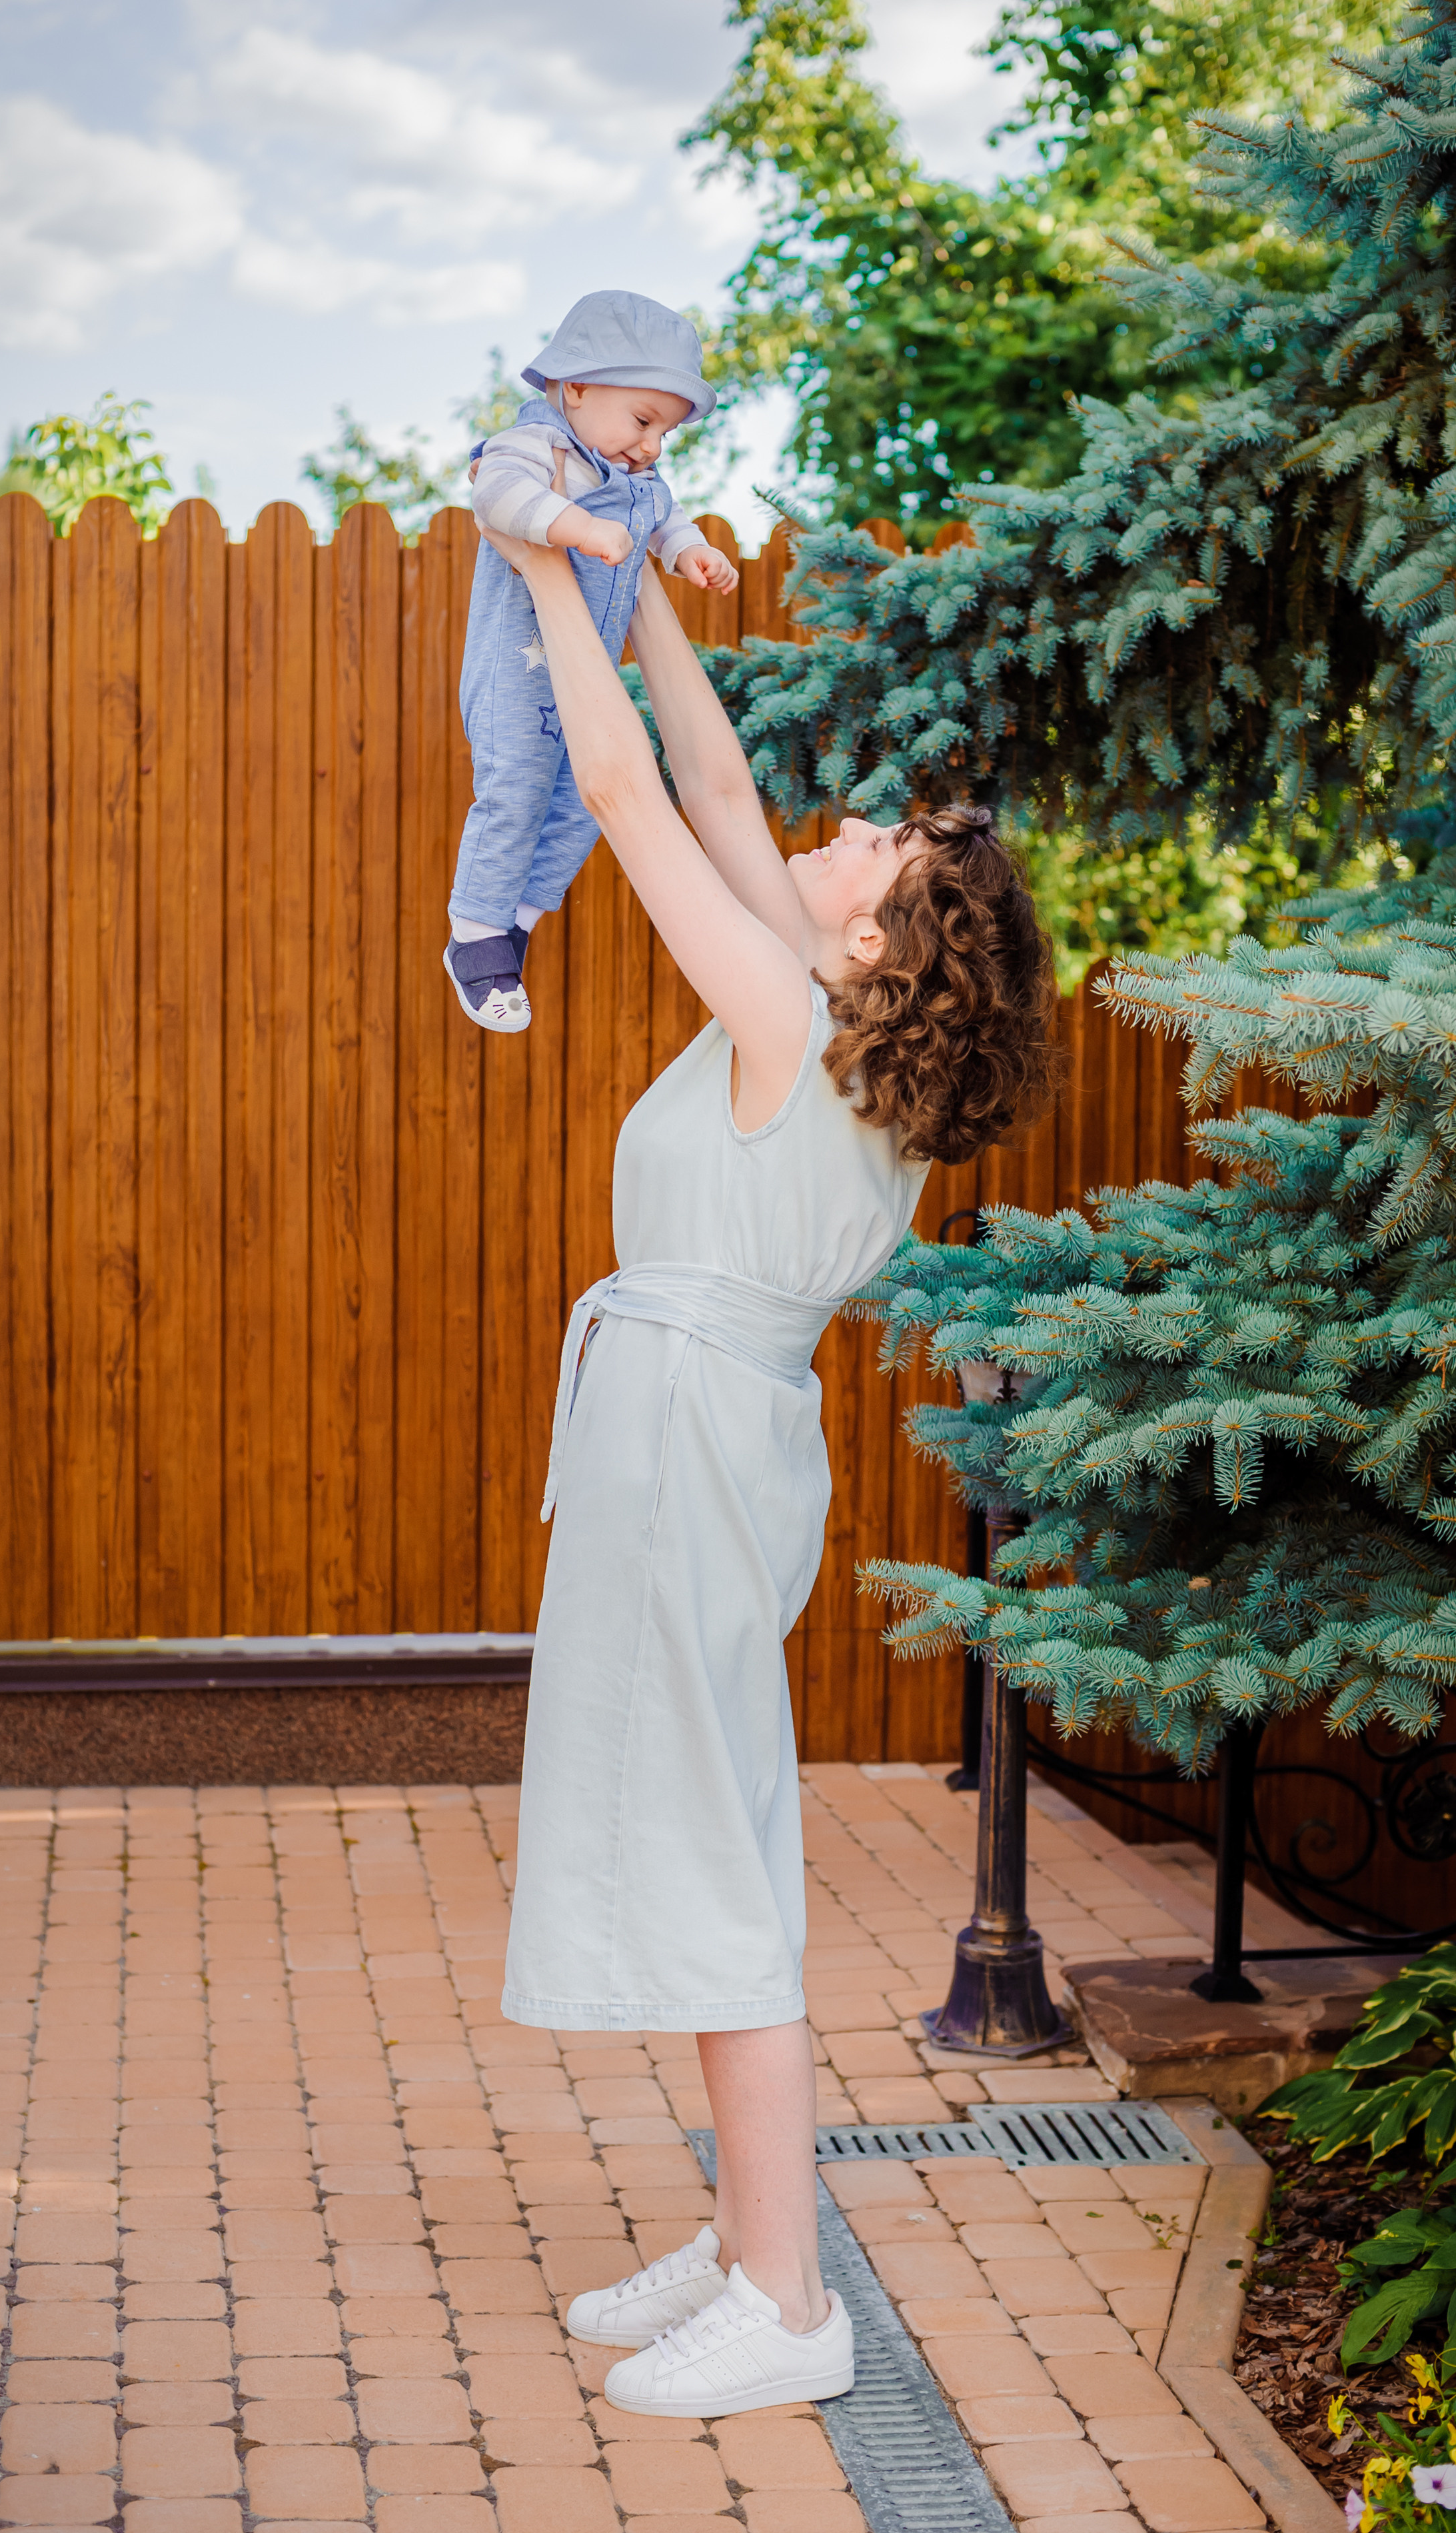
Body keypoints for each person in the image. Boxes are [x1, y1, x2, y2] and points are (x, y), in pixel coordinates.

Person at [490, 519, 1060, 2420]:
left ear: (875, 939)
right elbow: (716, 785)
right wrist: (631, 560)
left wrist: (543, 568)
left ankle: (791, 2300)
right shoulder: (826, 1027)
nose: (843, 826)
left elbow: (625, 790)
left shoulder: (787, 1022)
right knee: (704, 1814)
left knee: (710, 1847)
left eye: (876, 843)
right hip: (704, 1423)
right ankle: (749, 2237)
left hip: (685, 1436)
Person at [444, 289, 741, 1035]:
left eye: (666, 431)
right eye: (643, 420)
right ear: (576, 387)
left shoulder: (634, 478)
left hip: (583, 681)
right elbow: (496, 495)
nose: (653, 446)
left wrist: (690, 551)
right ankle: (474, 933)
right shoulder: (536, 444)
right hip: (517, 674)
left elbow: (665, 516)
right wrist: (576, 526)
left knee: (585, 802)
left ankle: (516, 921)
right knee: (515, 789)